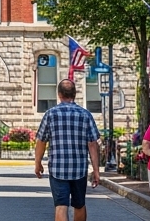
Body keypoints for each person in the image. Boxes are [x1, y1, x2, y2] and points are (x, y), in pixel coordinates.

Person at [33, 79, 101, 221]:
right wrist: (96, 170)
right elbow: (93, 144)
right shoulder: (85, 115)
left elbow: (41, 141)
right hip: (79, 169)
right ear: (75, 94)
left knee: (60, 206)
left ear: (59, 94)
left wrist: (38, 162)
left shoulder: (50, 114)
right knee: (79, 204)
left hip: (58, 169)